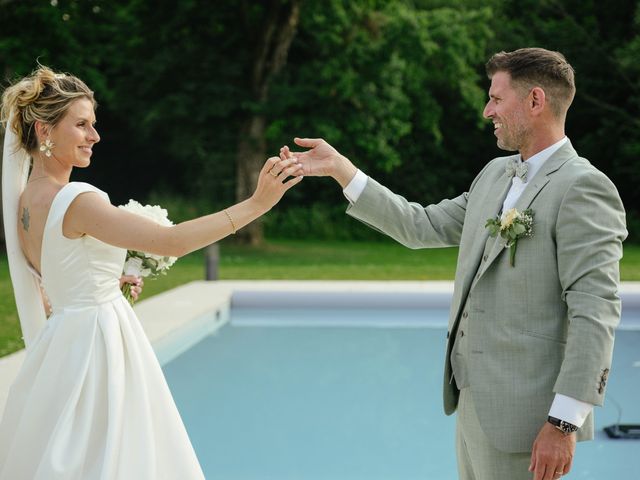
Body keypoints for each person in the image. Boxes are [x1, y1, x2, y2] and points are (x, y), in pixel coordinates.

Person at [282, 48, 627, 480]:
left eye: (497, 99)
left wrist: (563, 423)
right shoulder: (494, 175)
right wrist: (342, 171)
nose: (487, 111)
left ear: (535, 101)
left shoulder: (584, 187)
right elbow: (419, 225)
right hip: (473, 410)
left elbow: (595, 311)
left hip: (530, 423)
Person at [0, 65, 302, 479]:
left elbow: (55, 276)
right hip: (98, 347)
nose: (95, 136)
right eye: (82, 125)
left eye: (94, 124)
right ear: (44, 131)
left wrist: (107, 281)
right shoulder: (77, 200)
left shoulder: (23, 202)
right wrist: (257, 204)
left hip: (62, 346)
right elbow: (171, 241)